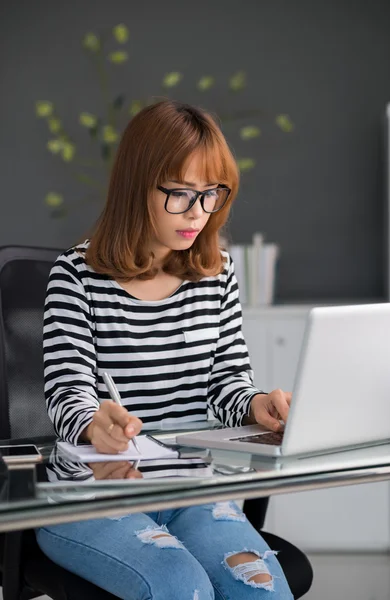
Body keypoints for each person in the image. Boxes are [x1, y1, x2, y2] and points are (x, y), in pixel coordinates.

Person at [36, 100, 294, 600]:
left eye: (211, 195)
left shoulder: (215, 272)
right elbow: (68, 391)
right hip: (90, 496)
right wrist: (95, 424)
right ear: (138, 186)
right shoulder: (76, 276)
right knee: (180, 587)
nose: (197, 213)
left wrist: (255, 404)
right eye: (179, 194)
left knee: (259, 587)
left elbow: (226, 384)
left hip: (189, 489)